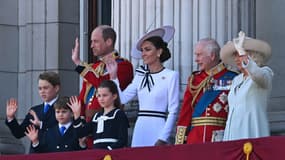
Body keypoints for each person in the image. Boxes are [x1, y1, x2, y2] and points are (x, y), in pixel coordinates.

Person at [107, 26, 180, 147]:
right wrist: (114, 76)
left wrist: (163, 137)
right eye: (142, 50)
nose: (143, 54)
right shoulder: (140, 75)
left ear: (159, 52)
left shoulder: (171, 76)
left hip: (159, 127)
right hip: (141, 127)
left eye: (147, 49)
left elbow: (173, 110)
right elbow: (123, 98)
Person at [71, 25, 133, 148]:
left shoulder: (123, 65)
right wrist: (81, 121)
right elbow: (84, 96)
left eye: (95, 41)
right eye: (91, 42)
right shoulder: (93, 68)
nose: (91, 45)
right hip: (90, 126)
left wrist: (79, 63)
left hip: (110, 125)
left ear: (109, 41)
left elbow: (103, 85)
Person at [175, 38, 237, 144]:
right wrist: (180, 142)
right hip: (195, 139)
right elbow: (185, 113)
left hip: (221, 138)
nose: (196, 59)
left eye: (199, 55)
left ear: (212, 56)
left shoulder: (232, 78)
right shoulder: (194, 80)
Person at [221, 31, 273, 141]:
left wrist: (242, 52)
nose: (236, 59)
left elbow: (257, 75)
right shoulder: (237, 80)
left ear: (253, 56)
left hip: (251, 133)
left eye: (239, 55)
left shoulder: (265, 73)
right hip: (232, 135)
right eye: (235, 55)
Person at [5, 72, 60, 152]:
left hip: (55, 154)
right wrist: (11, 118)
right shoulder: (35, 110)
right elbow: (19, 133)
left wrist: (41, 124)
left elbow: (63, 130)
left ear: (56, 88)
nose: (42, 91)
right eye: (40, 88)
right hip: (35, 155)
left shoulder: (65, 107)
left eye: (46, 88)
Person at [69, 80, 129, 150]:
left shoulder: (119, 114)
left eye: (105, 95)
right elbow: (80, 134)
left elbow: (123, 140)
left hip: (112, 155)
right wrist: (76, 116)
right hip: (97, 154)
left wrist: (108, 149)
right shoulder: (96, 116)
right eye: (99, 96)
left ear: (114, 96)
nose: (101, 99)